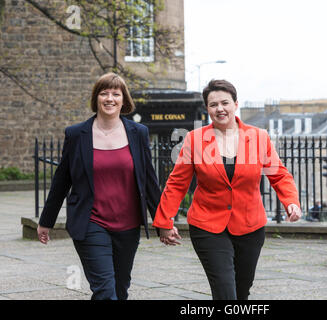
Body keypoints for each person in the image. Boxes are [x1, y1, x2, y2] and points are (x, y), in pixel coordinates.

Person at [152, 79, 302, 300]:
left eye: (225, 102)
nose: (220, 108)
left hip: (250, 225)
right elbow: (176, 183)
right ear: (207, 109)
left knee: (241, 291)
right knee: (224, 291)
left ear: (235, 104)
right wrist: (164, 221)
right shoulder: (195, 140)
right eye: (213, 104)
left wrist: (290, 201)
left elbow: (279, 174)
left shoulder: (258, 137)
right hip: (207, 225)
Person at [37, 73, 162, 300]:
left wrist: (163, 222)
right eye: (104, 93)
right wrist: (46, 221)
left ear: (124, 100)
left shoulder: (138, 133)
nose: (110, 98)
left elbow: (149, 181)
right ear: (96, 99)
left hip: (128, 225)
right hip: (90, 222)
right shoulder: (76, 134)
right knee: (105, 291)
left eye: (116, 93)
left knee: (120, 288)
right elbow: (61, 180)